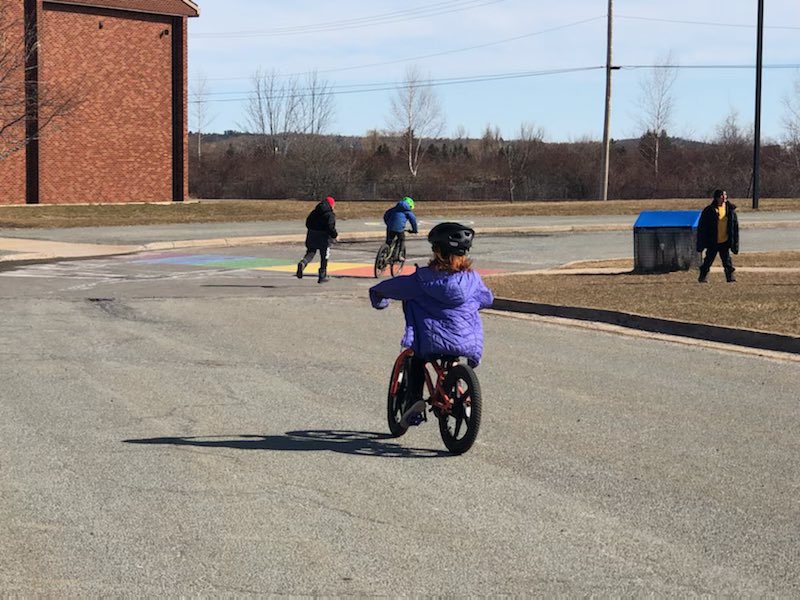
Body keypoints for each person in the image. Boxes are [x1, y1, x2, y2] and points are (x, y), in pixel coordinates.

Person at [369, 222, 494, 426]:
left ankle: (414, 400)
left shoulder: (423, 280)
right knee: (451, 359)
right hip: (466, 342)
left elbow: (391, 287)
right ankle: (456, 395)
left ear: (437, 251)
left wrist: (379, 297)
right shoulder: (473, 279)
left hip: (430, 342)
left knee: (416, 359)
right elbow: (487, 299)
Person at [696, 189, 739, 283]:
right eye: (721, 196)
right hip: (713, 241)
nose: (724, 198)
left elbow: (734, 226)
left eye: (725, 195)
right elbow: (702, 227)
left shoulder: (730, 210)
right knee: (708, 260)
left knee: (727, 261)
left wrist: (734, 242)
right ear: (716, 198)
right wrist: (702, 241)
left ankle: (730, 277)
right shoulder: (709, 210)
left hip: (724, 240)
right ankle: (703, 277)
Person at [296, 196, 338, 283]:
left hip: (311, 235)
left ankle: (303, 263)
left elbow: (307, 222)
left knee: (311, 252)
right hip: (324, 238)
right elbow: (330, 227)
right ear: (331, 204)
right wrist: (334, 235)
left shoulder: (315, 212)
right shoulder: (330, 214)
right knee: (324, 256)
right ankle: (322, 275)